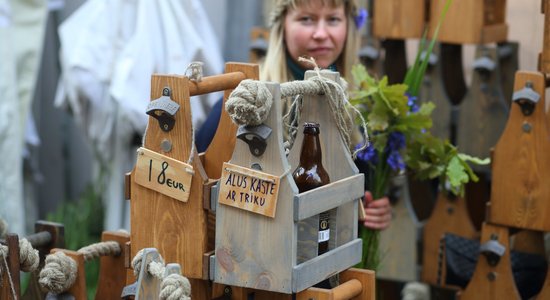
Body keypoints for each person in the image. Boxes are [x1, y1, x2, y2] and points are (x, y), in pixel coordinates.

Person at [197, 0, 392, 230]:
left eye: (333, 19)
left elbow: (359, 201)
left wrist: (370, 212)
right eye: (306, 19)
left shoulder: (361, 108)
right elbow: (201, 181)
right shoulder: (248, 105)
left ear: (348, 26)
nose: (321, 33)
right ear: (283, 26)